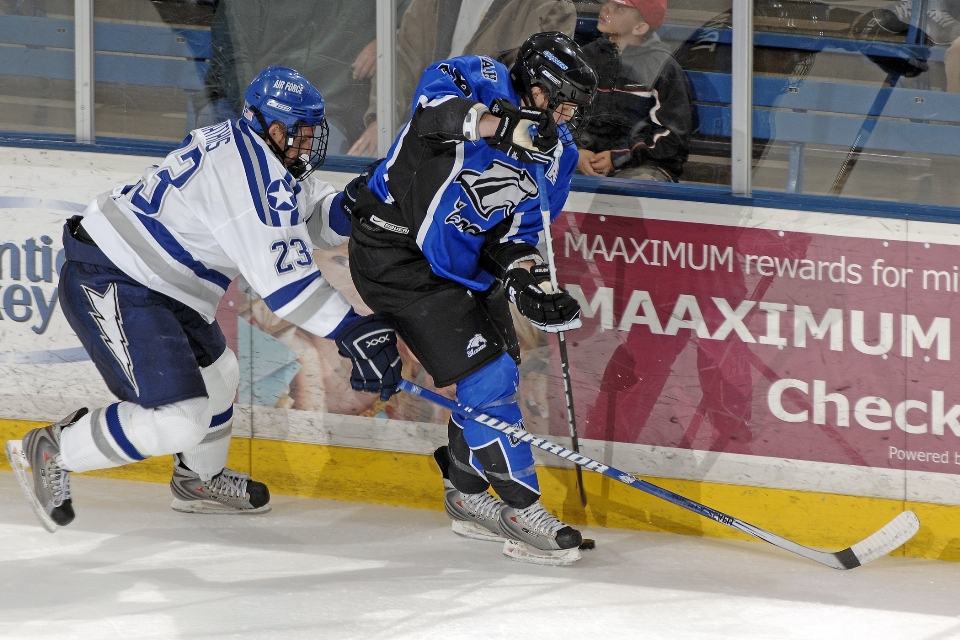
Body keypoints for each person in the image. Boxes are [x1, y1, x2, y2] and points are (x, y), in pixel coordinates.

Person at [4, 66, 402, 531]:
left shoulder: (256, 150)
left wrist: (354, 203)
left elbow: (310, 214)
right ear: (274, 129)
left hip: (165, 283)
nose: (310, 145)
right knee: (179, 420)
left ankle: (198, 479)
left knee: (221, 374)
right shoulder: (248, 179)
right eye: (302, 134)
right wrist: (352, 329)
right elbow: (287, 289)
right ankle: (56, 448)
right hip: (116, 276)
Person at [346, 32, 598, 565]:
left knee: (499, 369)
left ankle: (464, 494)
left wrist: (530, 280)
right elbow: (431, 116)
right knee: (489, 377)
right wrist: (503, 126)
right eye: (566, 103)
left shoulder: (560, 155)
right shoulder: (477, 75)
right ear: (537, 89)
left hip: (462, 266)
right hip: (397, 253)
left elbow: (519, 235)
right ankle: (520, 510)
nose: (569, 118)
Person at [347, 0, 577, 157]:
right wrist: (380, 120)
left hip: (486, 136)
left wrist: (482, 123)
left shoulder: (549, 7)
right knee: (364, 157)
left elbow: (532, 88)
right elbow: (404, 57)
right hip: (419, 119)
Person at [198, 1, 414, 153]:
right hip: (253, 105)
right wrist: (262, 116)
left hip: (324, 114)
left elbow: (420, 25)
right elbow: (233, 54)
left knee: (325, 151)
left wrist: (388, 39)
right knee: (209, 127)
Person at [576, 0, 692, 182]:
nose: (605, 8)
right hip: (584, 159)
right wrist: (575, 151)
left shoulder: (662, 68)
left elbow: (672, 137)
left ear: (640, 27)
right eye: (608, 2)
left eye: (619, 8)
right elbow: (562, 112)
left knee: (635, 187)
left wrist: (620, 158)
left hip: (644, 165)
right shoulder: (584, 57)